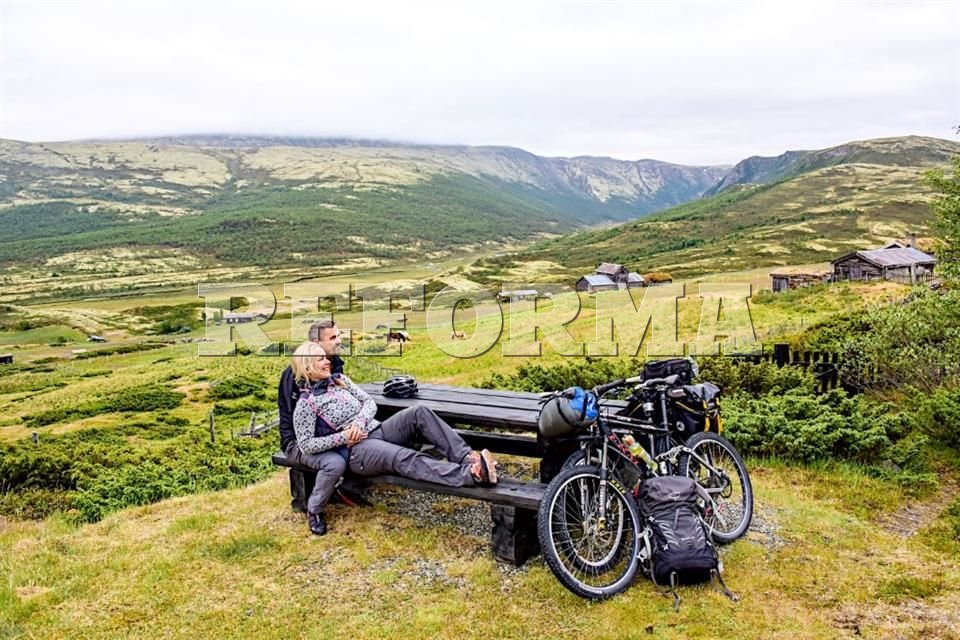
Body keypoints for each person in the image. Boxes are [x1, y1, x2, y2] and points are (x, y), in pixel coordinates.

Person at [290, 341, 497, 535]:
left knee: (419, 413)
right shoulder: (307, 403)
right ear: (307, 367)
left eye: (325, 357)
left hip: (376, 429)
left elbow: (369, 402)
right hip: (356, 451)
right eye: (320, 359)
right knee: (404, 457)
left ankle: (467, 458)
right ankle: (471, 474)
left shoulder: (340, 380)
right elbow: (306, 445)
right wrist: (343, 437)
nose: (327, 361)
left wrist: (359, 422)